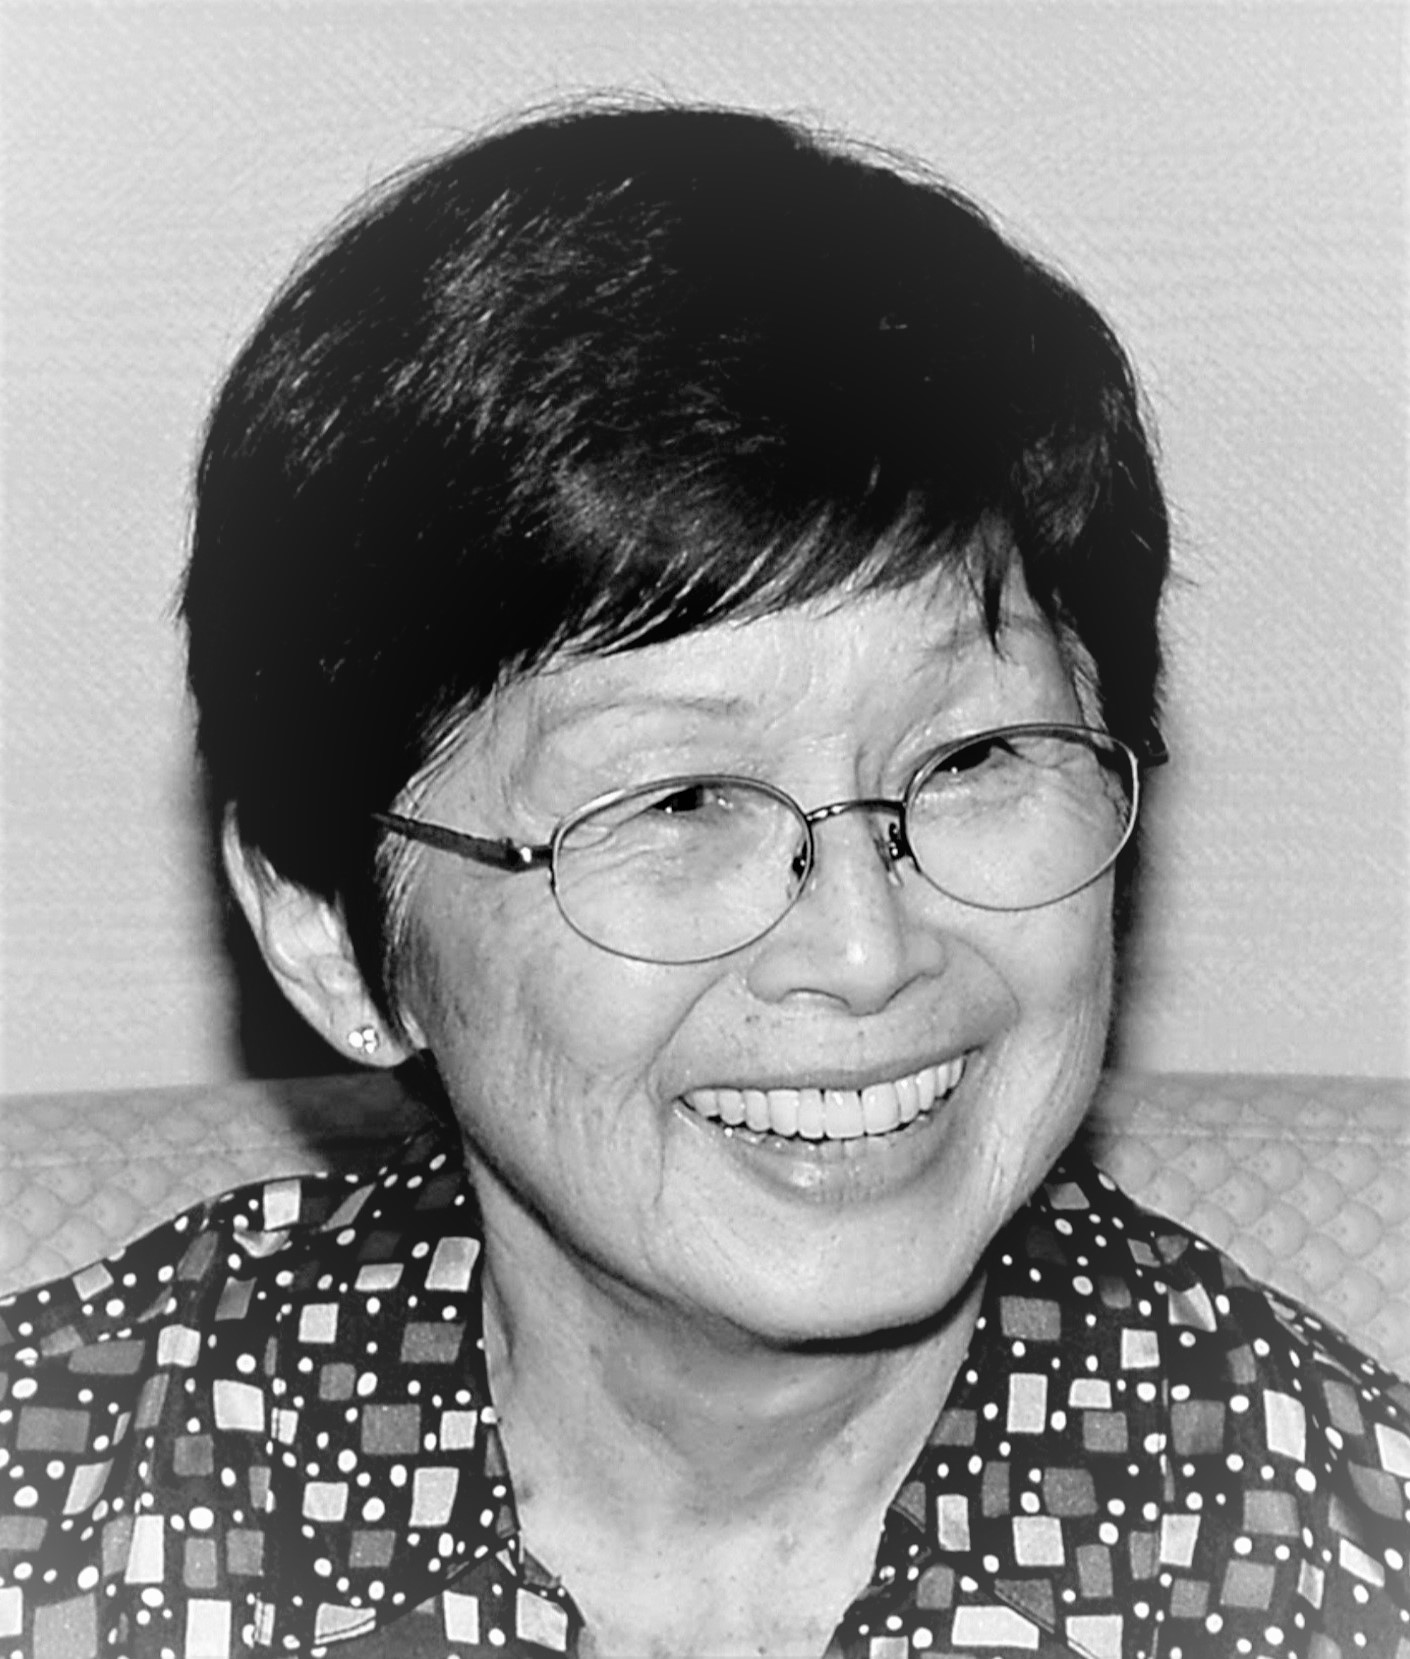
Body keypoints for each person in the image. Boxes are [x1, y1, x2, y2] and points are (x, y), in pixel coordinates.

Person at [1, 100, 1406, 1659]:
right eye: (677, 801)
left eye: (973, 759)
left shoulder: (1336, 1567)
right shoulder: (69, 1506)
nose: (864, 950)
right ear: (328, 932)